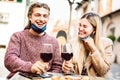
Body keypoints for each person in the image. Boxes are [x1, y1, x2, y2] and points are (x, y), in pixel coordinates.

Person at [4, 2, 62, 79]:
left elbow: (57, 67)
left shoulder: (53, 41)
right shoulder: (18, 36)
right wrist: (31, 67)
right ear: (30, 17)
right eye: (37, 15)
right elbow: (9, 60)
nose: (41, 19)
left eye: (45, 16)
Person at [62, 12, 113, 77]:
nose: (80, 28)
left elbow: (103, 71)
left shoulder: (107, 43)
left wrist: (93, 49)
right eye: (80, 25)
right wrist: (66, 68)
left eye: (85, 26)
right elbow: (69, 70)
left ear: (94, 30)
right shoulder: (72, 43)